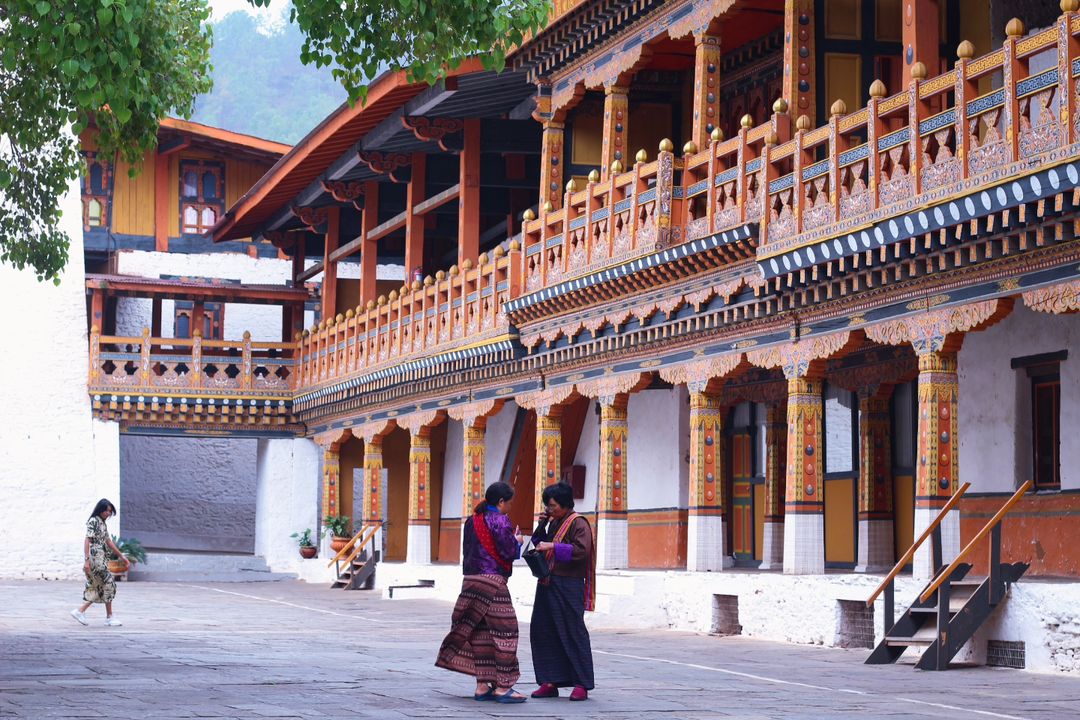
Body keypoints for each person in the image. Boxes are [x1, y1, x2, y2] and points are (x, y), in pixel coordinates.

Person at [435, 481, 527, 703]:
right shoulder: (500, 520)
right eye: (509, 503)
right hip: (492, 583)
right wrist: (518, 543)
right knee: (506, 632)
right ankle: (503, 687)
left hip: (470, 582)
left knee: (479, 633)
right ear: (501, 502)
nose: (510, 507)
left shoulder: (472, 520)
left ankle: (482, 685)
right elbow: (507, 551)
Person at [529, 482, 596, 701]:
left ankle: (581, 683)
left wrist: (553, 547)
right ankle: (550, 681)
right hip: (547, 582)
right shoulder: (552, 523)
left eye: (553, 506)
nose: (549, 510)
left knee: (572, 631)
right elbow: (536, 543)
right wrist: (541, 526)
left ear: (566, 504)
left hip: (568, 584)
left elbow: (581, 552)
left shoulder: (578, 523)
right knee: (544, 630)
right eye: (547, 506)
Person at [70, 499, 130, 627]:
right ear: (100, 509)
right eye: (106, 510)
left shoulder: (102, 523)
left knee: (104, 586)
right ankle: (104, 616)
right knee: (107, 584)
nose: (108, 513)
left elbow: (109, 541)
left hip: (101, 558)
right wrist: (86, 561)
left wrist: (121, 556)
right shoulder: (93, 521)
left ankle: (87, 612)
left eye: (110, 511)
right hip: (95, 558)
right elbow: (87, 540)